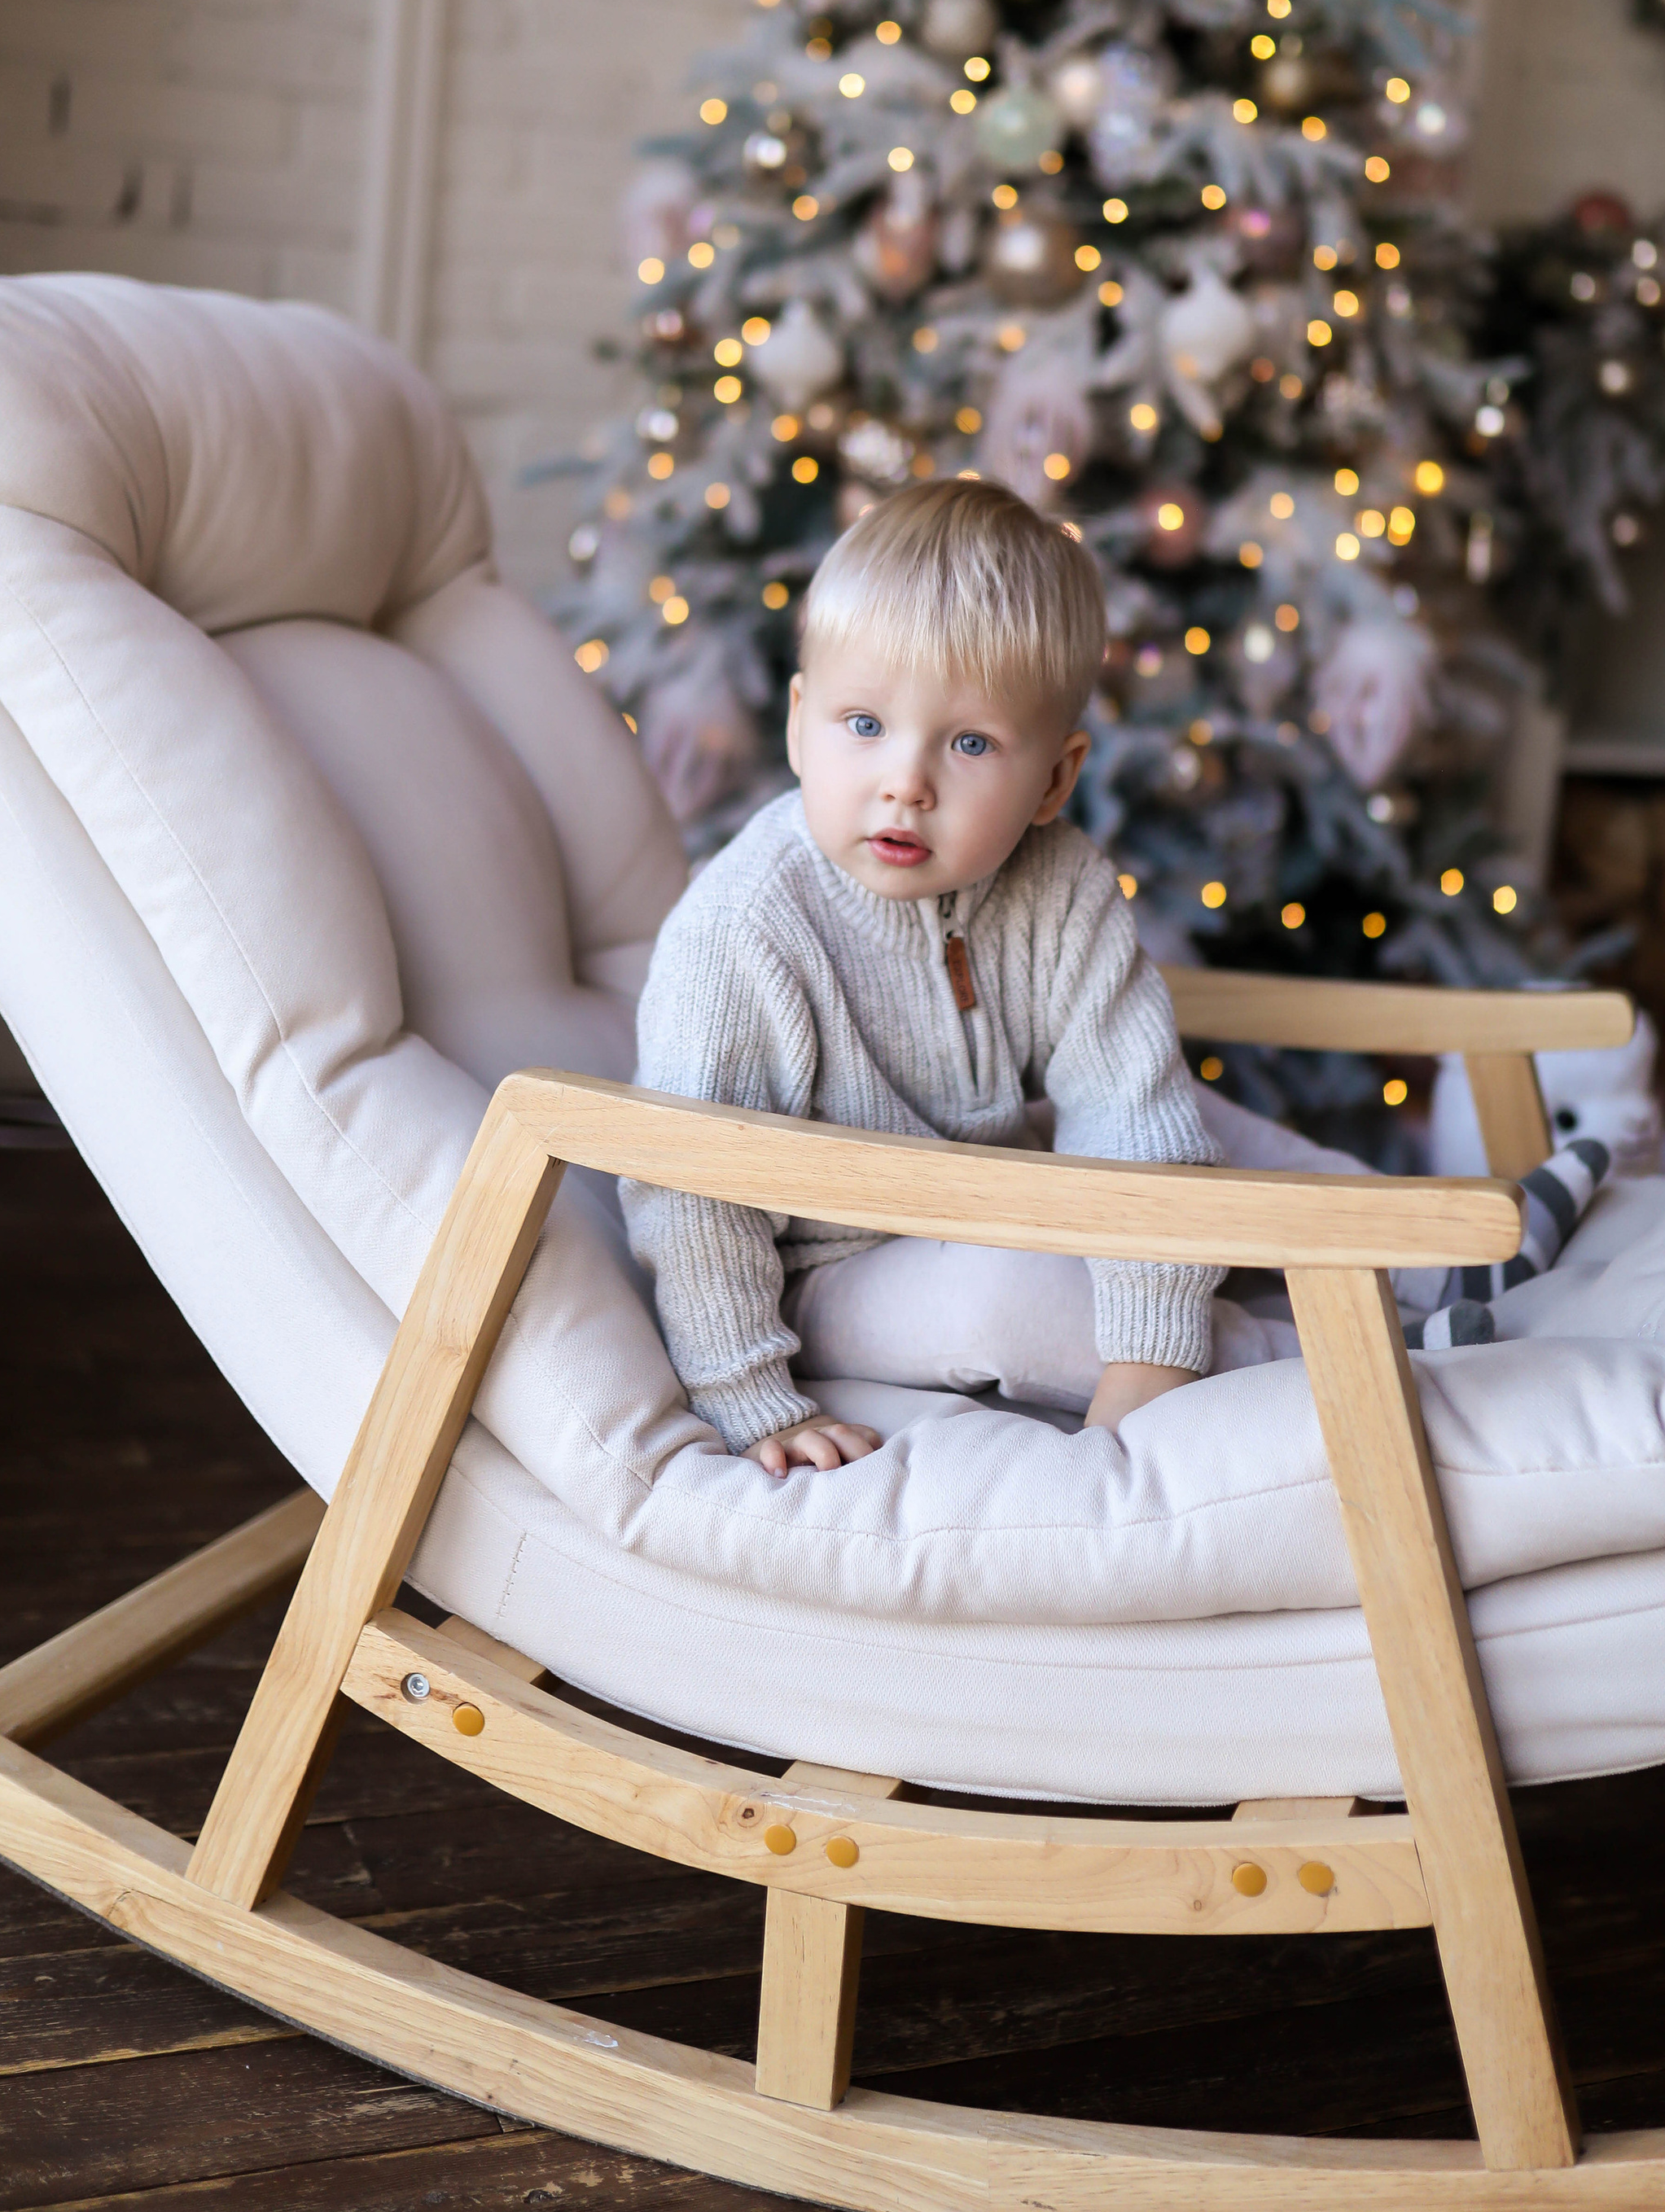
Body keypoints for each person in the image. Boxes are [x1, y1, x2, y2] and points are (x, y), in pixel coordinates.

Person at [624, 478, 1605, 1475]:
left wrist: (1148, 1315)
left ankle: (1428, 1247)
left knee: (1182, 1115)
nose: (905, 780)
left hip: (1003, 1177)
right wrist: (750, 1398)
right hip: (832, 1269)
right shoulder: (741, 932)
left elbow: (1132, 1115)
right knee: (1005, 1296)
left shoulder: (1062, 883)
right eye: (863, 725)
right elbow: (691, 1189)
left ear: (1055, 778)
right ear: (799, 727)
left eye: (969, 743)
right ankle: (1350, 1349)